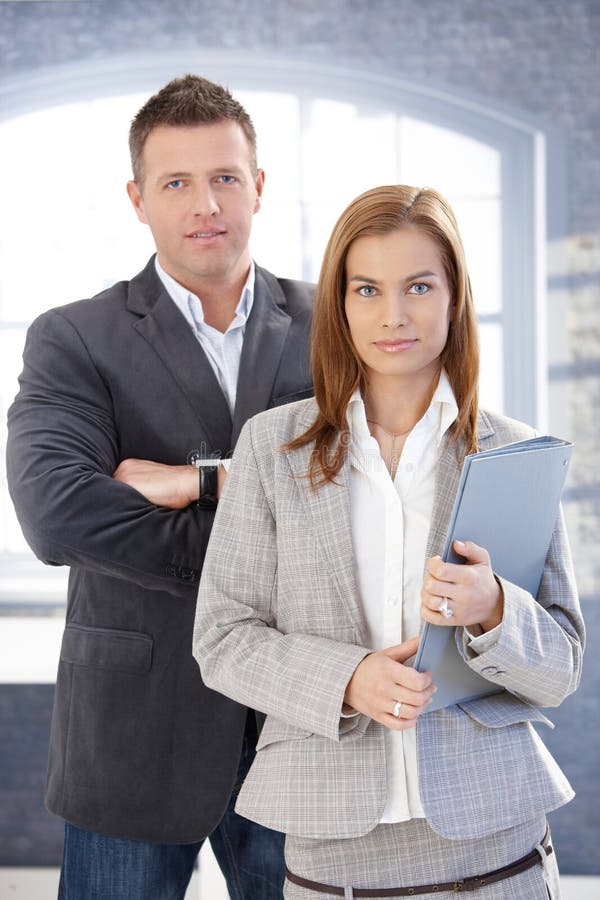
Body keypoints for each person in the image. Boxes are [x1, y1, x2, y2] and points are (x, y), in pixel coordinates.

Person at [193, 184, 584, 899]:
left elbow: (560, 668)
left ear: (454, 296)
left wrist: (497, 607)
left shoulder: (515, 454)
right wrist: (349, 679)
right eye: (367, 288)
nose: (393, 315)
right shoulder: (270, 448)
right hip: (335, 857)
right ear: (340, 303)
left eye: (419, 286)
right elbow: (222, 638)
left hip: (501, 854)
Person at [6, 74, 313, 900]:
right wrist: (271, 528)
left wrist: (195, 481)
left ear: (258, 186)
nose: (204, 203)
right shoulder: (76, 336)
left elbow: (366, 493)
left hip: (299, 723)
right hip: (131, 732)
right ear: (138, 199)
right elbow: (56, 513)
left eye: (224, 177)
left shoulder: (337, 326)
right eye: (176, 182)